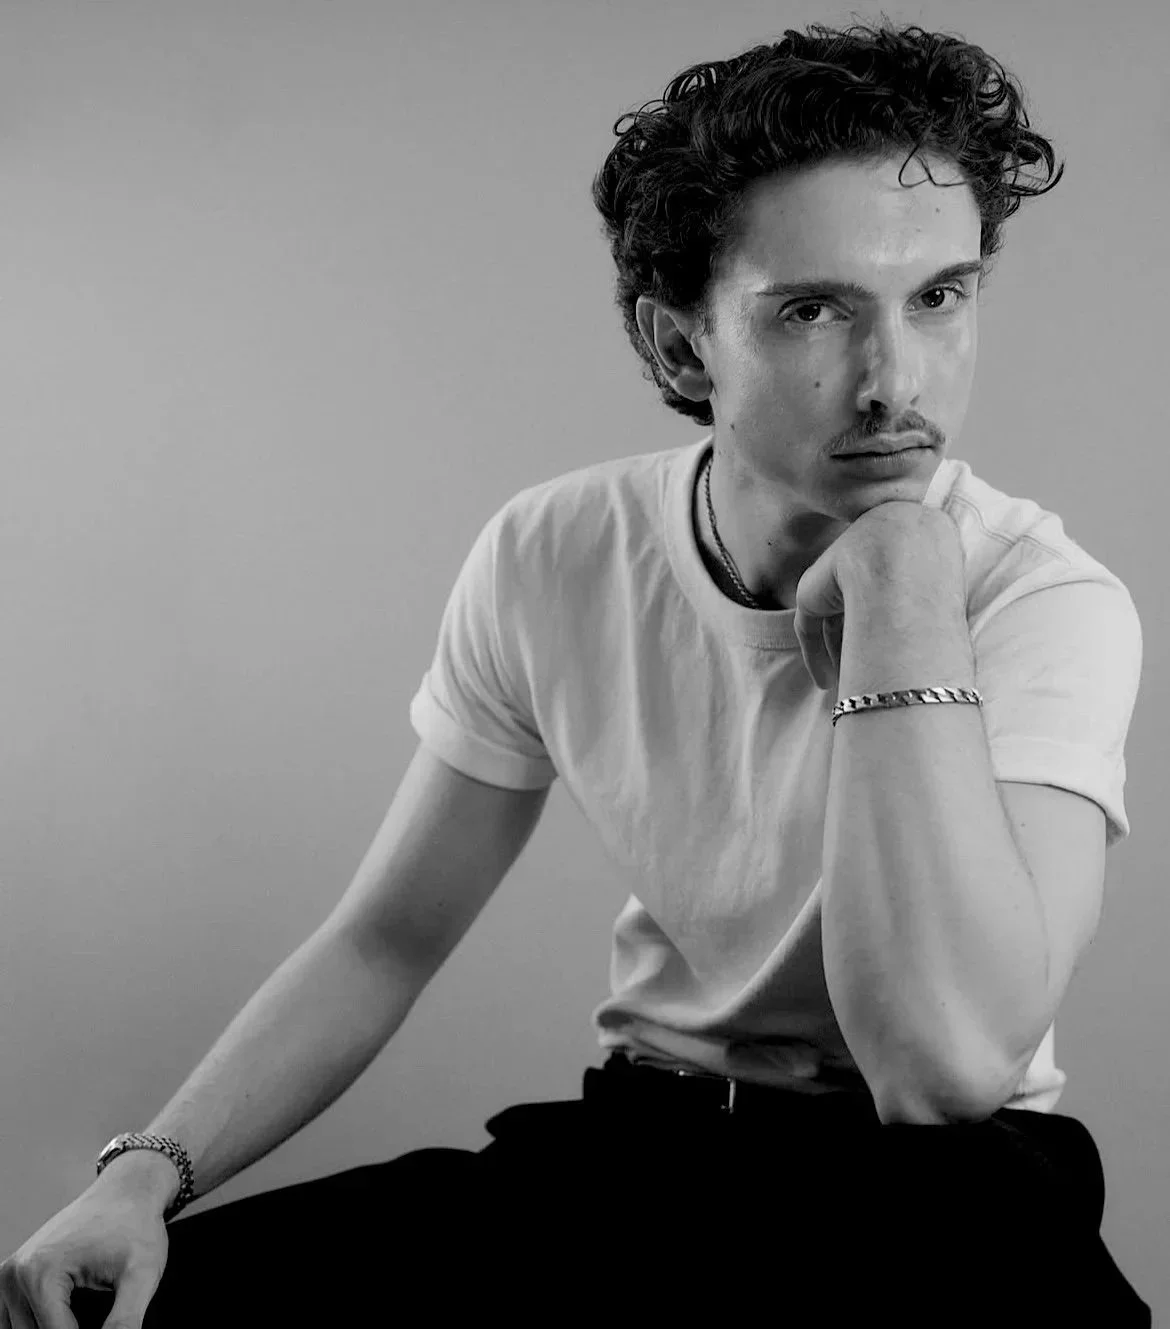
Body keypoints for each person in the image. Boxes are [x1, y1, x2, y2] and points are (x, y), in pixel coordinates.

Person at [0, 17, 1153, 1327]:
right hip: (648, 1147)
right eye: (813, 309)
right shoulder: (555, 551)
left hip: (936, 1196)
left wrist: (899, 589)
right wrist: (144, 1175)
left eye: (937, 296)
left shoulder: (1042, 602)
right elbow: (386, 937)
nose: (896, 379)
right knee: (128, 1308)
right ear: (679, 349)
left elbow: (942, 1073)